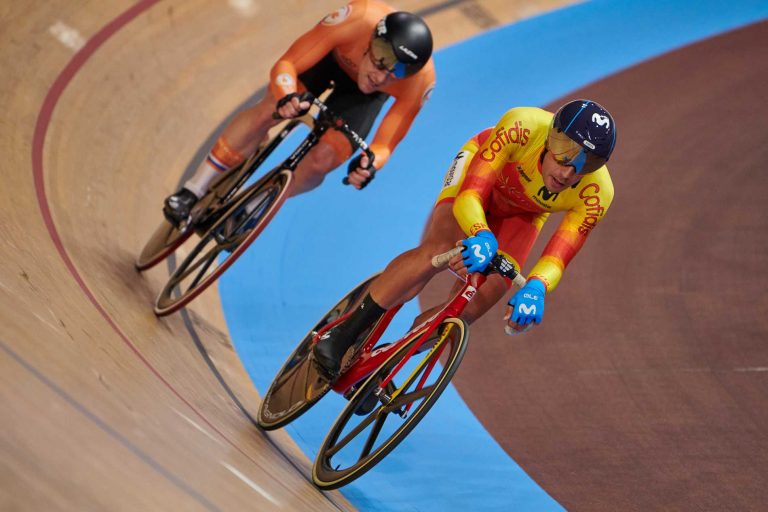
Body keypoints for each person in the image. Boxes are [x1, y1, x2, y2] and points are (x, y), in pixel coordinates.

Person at [313, 99, 617, 376]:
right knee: (439, 248)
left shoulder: (597, 193)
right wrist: (480, 233)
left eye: (586, 164)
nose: (568, 173)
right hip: (478, 177)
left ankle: (386, 365)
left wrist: (537, 287)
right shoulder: (522, 125)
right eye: (565, 154)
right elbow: (470, 196)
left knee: (474, 303)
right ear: (551, 137)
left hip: (523, 214)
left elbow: (557, 256)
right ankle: (342, 334)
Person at [163, 1, 436, 226]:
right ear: (371, 41)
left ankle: (255, 206)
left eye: (396, 72)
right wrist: (287, 97)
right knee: (269, 110)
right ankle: (193, 190)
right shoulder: (358, 18)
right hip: (327, 61)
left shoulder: (420, 82)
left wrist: (369, 165)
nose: (380, 76)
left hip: (361, 100)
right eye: (379, 60)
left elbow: (384, 145)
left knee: (323, 160)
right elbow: (288, 64)